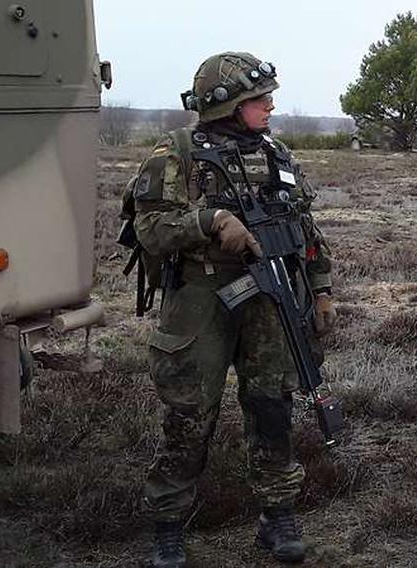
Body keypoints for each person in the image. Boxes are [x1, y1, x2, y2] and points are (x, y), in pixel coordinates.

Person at [132, 52, 336, 567]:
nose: (270, 106)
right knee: (189, 411)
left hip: (270, 293)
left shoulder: (277, 154)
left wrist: (322, 288)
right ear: (228, 106)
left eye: (267, 97)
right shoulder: (177, 152)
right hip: (201, 296)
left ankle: (278, 514)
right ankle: (169, 523)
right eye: (259, 99)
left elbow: (305, 229)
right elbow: (149, 228)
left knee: (272, 403)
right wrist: (211, 220)